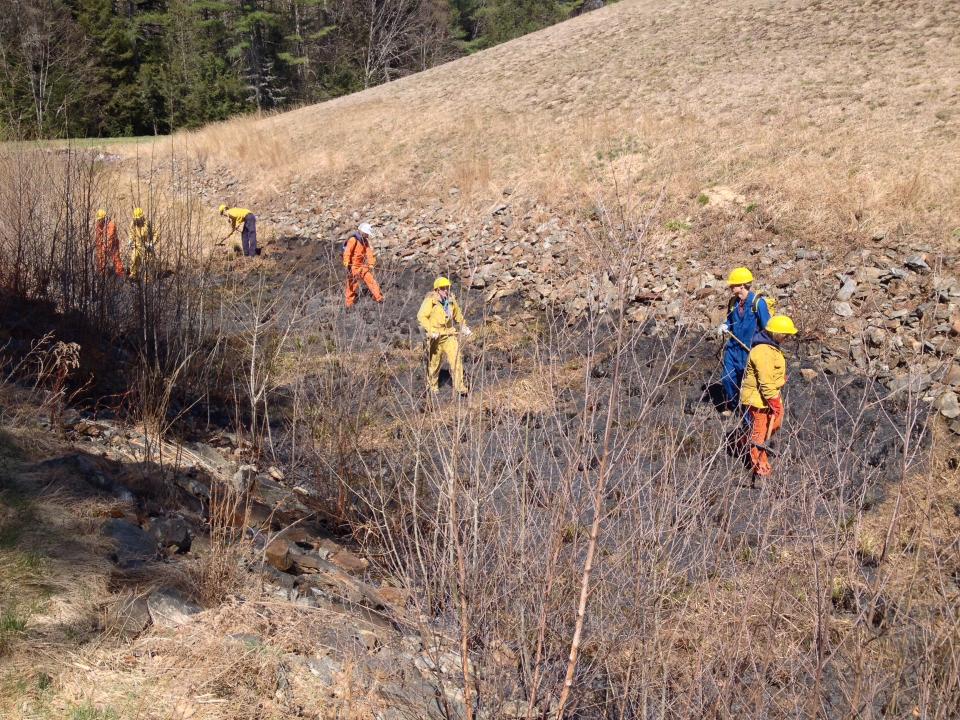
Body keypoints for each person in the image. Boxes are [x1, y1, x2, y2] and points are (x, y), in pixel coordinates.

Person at [740, 314, 797, 483]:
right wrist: (774, 402)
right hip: (758, 399)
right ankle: (759, 464)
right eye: (785, 334)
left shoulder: (771, 346)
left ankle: (745, 443)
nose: (788, 337)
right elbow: (765, 381)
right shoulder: (763, 351)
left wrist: (779, 380)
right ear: (776, 333)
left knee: (774, 425)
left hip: (767, 395)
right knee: (760, 432)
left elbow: (770, 376)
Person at [717, 267, 771, 411]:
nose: (730, 287)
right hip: (733, 349)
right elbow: (730, 320)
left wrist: (758, 345)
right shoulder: (733, 302)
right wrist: (725, 325)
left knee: (747, 384)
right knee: (727, 379)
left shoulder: (758, 303)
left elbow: (768, 330)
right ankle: (736, 407)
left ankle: (749, 412)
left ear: (742, 285)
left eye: (733, 284)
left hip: (749, 351)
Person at [417, 277, 472, 396]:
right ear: (436, 290)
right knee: (434, 362)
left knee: (456, 359)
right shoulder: (430, 300)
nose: (445, 290)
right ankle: (432, 386)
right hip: (435, 337)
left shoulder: (451, 300)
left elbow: (458, 314)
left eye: (447, 288)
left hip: (449, 334)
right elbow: (421, 316)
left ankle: (460, 387)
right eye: (442, 288)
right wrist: (431, 331)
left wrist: (463, 326)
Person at [342, 222, 384, 307]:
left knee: (371, 281)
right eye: (367, 234)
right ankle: (349, 304)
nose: (368, 235)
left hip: (362, 266)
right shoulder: (353, 240)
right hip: (353, 267)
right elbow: (347, 251)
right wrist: (346, 261)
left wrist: (371, 263)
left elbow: (369, 253)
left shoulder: (365, 241)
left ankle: (379, 298)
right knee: (352, 285)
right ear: (363, 232)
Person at [128, 207, 157, 280]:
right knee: (134, 259)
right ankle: (133, 275)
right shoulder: (133, 224)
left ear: (142, 217)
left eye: (138, 218)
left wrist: (151, 243)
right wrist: (130, 240)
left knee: (148, 262)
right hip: (137, 246)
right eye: (136, 218)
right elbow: (131, 234)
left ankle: (147, 279)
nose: (137, 220)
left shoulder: (147, 224)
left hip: (147, 247)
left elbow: (155, 234)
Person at [94, 209, 124, 276]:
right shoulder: (98, 225)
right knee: (101, 256)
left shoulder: (111, 225)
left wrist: (107, 246)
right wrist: (100, 247)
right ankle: (102, 274)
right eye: (98, 220)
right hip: (103, 245)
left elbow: (111, 237)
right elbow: (98, 239)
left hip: (113, 245)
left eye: (100, 219)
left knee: (116, 259)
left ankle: (120, 274)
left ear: (104, 218)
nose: (99, 221)